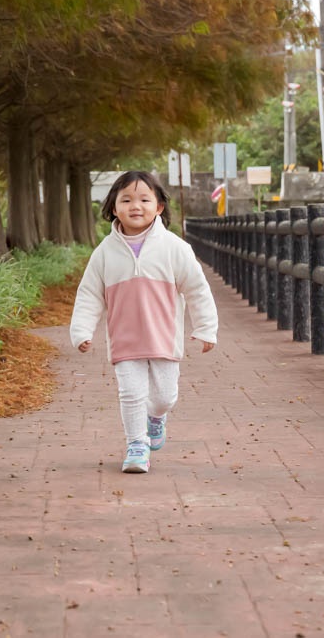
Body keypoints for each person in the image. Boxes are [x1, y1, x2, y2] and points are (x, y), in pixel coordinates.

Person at [70, 170, 218, 473]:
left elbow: (197, 289)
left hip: (164, 337)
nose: (135, 206)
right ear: (113, 207)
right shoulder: (104, 253)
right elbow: (89, 294)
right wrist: (82, 331)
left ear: (159, 207)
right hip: (124, 340)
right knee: (131, 393)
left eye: (144, 199)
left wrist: (205, 328)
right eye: (126, 199)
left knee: (165, 396)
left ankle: (155, 417)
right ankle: (136, 445)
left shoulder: (175, 248)